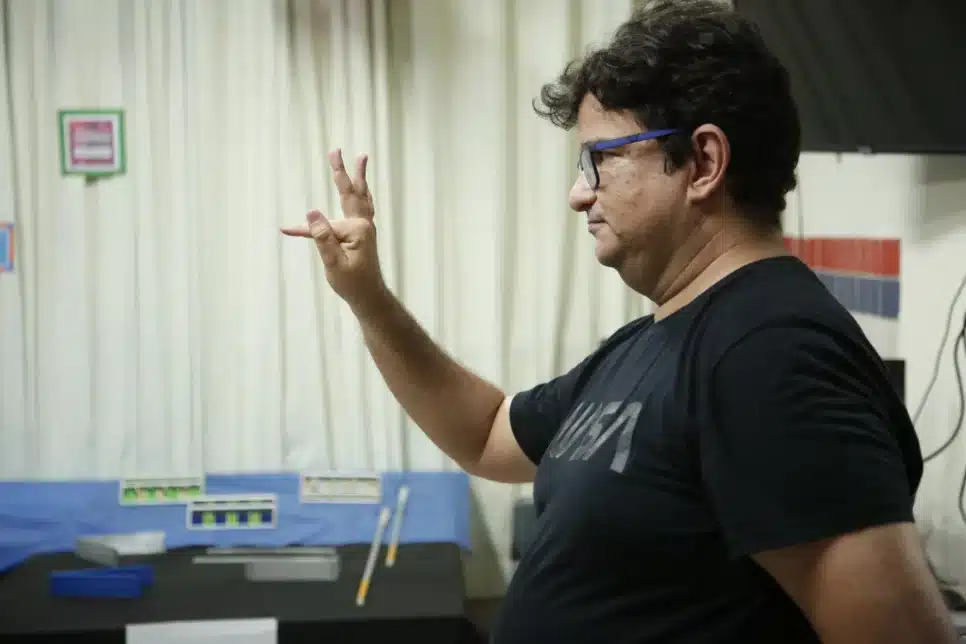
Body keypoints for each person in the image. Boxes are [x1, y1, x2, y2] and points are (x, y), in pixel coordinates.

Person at [282, 1, 956, 642]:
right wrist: (368, 297)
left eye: (599, 160)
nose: (579, 195)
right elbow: (485, 435)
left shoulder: (771, 356)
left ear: (703, 163)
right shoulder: (656, 340)